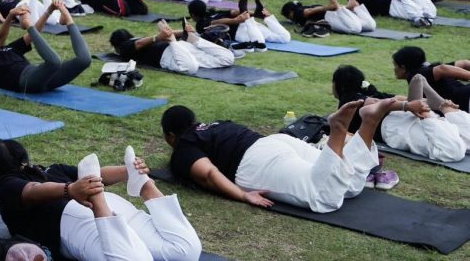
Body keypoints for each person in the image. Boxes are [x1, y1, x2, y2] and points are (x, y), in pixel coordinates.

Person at [161, 98, 396, 213]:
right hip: (275, 142)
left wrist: (244, 195)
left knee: (323, 197)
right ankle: (368, 123)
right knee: (351, 185)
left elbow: (208, 174)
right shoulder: (215, 125)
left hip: (255, 163)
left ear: (171, 135)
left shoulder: (185, 144)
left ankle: (337, 130)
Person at [0, 139, 202, 261]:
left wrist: (71, 190)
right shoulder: (50, 170)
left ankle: (102, 195)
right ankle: (146, 186)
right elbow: (95, 173)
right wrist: (127, 171)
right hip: (109, 206)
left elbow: (33, 191)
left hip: (74, 219)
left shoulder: (4, 184)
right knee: (186, 251)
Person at [333, 65, 468, 165]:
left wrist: (408, 105)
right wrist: (412, 104)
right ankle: (442, 108)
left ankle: (434, 109)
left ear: (339, 86)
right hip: (400, 120)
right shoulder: (364, 94)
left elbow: (375, 102)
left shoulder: (349, 98)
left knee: (453, 151)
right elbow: (397, 99)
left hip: (392, 127)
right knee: (457, 143)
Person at [0, 2, 91, 93]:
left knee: (84, 60)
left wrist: (49, 11)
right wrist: (11, 16)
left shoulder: (10, 48)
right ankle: (35, 25)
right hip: (27, 82)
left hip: (42, 78)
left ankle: (69, 21)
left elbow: (37, 31)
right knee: (54, 63)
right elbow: (0, 37)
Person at [109, 19, 235, 75]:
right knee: (193, 67)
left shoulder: (127, 45)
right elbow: (140, 43)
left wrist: (185, 32)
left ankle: (193, 38)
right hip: (176, 50)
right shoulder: (132, 44)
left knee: (227, 58)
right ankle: (191, 38)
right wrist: (162, 36)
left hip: (174, 52)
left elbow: (139, 43)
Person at [393, 46, 470, 112]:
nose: (394, 69)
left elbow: (442, 69)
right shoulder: (429, 68)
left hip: (466, 98)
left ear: (403, 67)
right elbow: (464, 63)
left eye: (395, 65)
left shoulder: (416, 75)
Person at [281, 0, 376, 35]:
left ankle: (340, 7)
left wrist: (329, 7)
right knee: (371, 26)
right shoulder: (304, 7)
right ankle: (355, 7)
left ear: (290, 13)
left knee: (355, 29)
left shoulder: (297, 13)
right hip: (339, 15)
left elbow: (308, 12)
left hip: (331, 18)